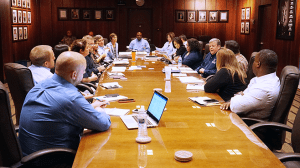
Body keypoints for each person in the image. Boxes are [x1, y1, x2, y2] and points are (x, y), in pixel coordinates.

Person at [19, 51, 111, 156]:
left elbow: (61, 110)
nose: (83, 75)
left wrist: (92, 106)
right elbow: (103, 124)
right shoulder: (71, 98)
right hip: (52, 160)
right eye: (83, 72)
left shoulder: (39, 86)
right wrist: (100, 109)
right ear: (74, 74)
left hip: (29, 153)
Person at [220, 49, 280, 120]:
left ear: (258, 64)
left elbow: (236, 106)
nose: (252, 64)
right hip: (242, 115)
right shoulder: (265, 78)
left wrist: (234, 101)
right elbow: (242, 95)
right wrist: (237, 98)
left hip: (247, 123)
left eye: (254, 61)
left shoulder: (264, 88)